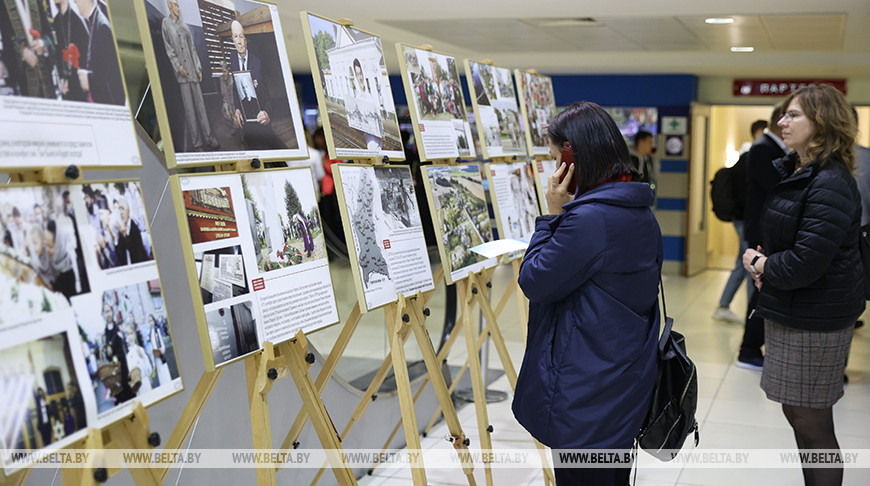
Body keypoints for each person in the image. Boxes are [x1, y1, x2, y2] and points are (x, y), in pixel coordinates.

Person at [512, 101, 661, 486]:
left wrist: (551, 216)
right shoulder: (637, 207)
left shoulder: (590, 219)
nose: (552, 170)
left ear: (572, 157)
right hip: (622, 374)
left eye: (553, 158)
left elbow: (534, 280)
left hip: (587, 386)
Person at [742, 85, 863, 486]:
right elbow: (794, 241)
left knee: (812, 424)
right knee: (797, 413)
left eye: (794, 115)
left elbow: (807, 263)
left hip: (816, 318)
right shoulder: (800, 170)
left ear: (822, 124)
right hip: (794, 310)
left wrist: (762, 263)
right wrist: (769, 260)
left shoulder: (829, 181)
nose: (782, 122)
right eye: (784, 114)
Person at [738, 106, 787, 370]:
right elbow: (778, 189)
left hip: (767, 230)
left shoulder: (773, 148)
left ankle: (753, 346)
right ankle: (749, 348)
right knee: (760, 292)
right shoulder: (762, 148)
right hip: (761, 232)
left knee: (763, 291)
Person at [713, 120, 767, 323]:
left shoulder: (745, 158)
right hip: (745, 219)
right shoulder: (751, 159)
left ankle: (725, 305)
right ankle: (744, 310)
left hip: (742, 219)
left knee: (742, 262)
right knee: (749, 264)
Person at [161, 0, 219, 152]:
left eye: (179, 5)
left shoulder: (184, 25)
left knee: (201, 107)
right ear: (169, 5)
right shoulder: (166, 24)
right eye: (175, 5)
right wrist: (178, 66)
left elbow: (192, 49)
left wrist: (198, 68)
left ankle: (209, 138)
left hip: (193, 72)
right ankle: (197, 144)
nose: (178, 8)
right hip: (182, 76)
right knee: (190, 110)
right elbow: (168, 49)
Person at [229, 20, 278, 150]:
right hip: (245, 122)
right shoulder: (232, 58)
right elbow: (235, 88)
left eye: (241, 36)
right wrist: (237, 109)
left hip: (261, 120)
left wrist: (267, 113)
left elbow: (269, 96)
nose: (239, 41)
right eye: (235, 37)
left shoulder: (258, 63)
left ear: (246, 40)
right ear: (232, 40)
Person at [74, 0, 125, 105]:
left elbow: (113, 76)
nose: (74, 2)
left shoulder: (102, 26)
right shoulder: (95, 21)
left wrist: (89, 80)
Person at [0, 0, 54, 98]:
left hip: (44, 72)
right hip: (21, 75)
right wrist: (22, 51)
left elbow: (48, 33)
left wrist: (42, 43)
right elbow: (5, 37)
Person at [52, 0, 89, 101]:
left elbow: (85, 52)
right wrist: (63, 78)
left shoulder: (77, 19)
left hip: (80, 80)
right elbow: (58, 54)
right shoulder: (56, 21)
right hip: (65, 82)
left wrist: (71, 78)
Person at [352, 57, 383, 151]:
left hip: (378, 135)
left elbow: (377, 113)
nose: (360, 78)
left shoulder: (370, 94)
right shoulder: (357, 97)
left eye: (361, 74)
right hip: (370, 139)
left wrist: (381, 131)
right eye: (357, 74)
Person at [113, 197, 149, 265]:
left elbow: (137, 253)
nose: (121, 213)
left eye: (122, 209)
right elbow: (120, 255)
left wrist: (125, 236)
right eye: (119, 210)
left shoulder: (135, 228)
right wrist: (115, 240)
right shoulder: (121, 230)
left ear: (128, 211)